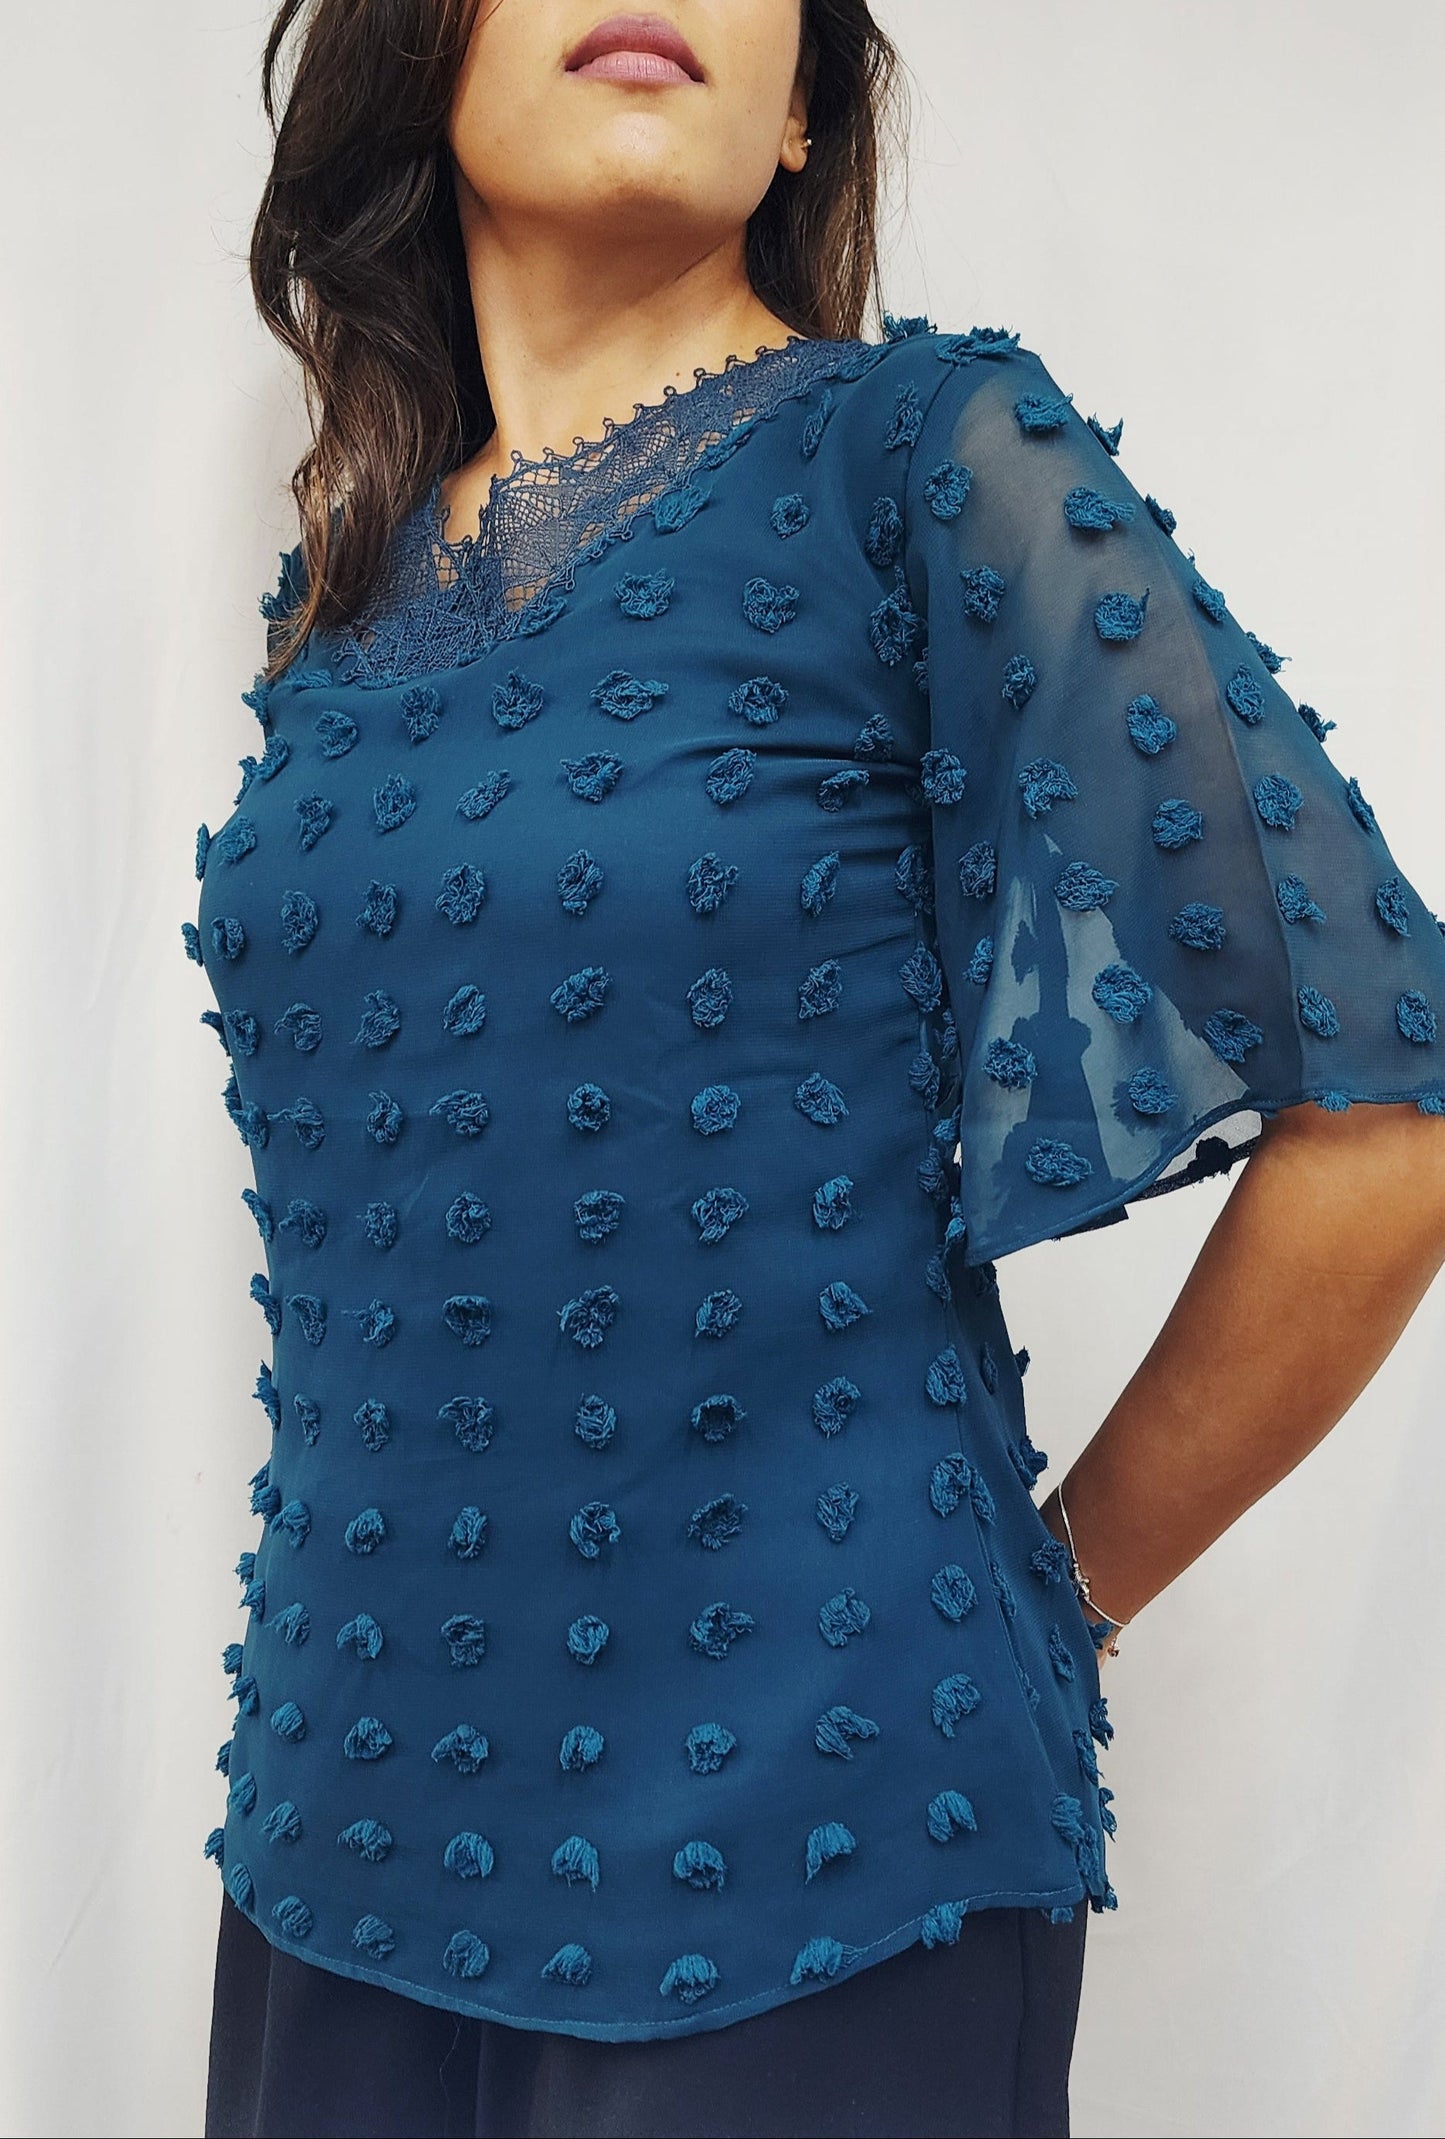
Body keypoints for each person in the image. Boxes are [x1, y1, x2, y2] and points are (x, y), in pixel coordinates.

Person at [188, 4, 1445, 2136]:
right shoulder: (346, 586)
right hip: (331, 1836)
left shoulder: (921, 456)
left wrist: (1053, 1597)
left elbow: (1378, 1121)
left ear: (799, 117)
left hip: (815, 1840)